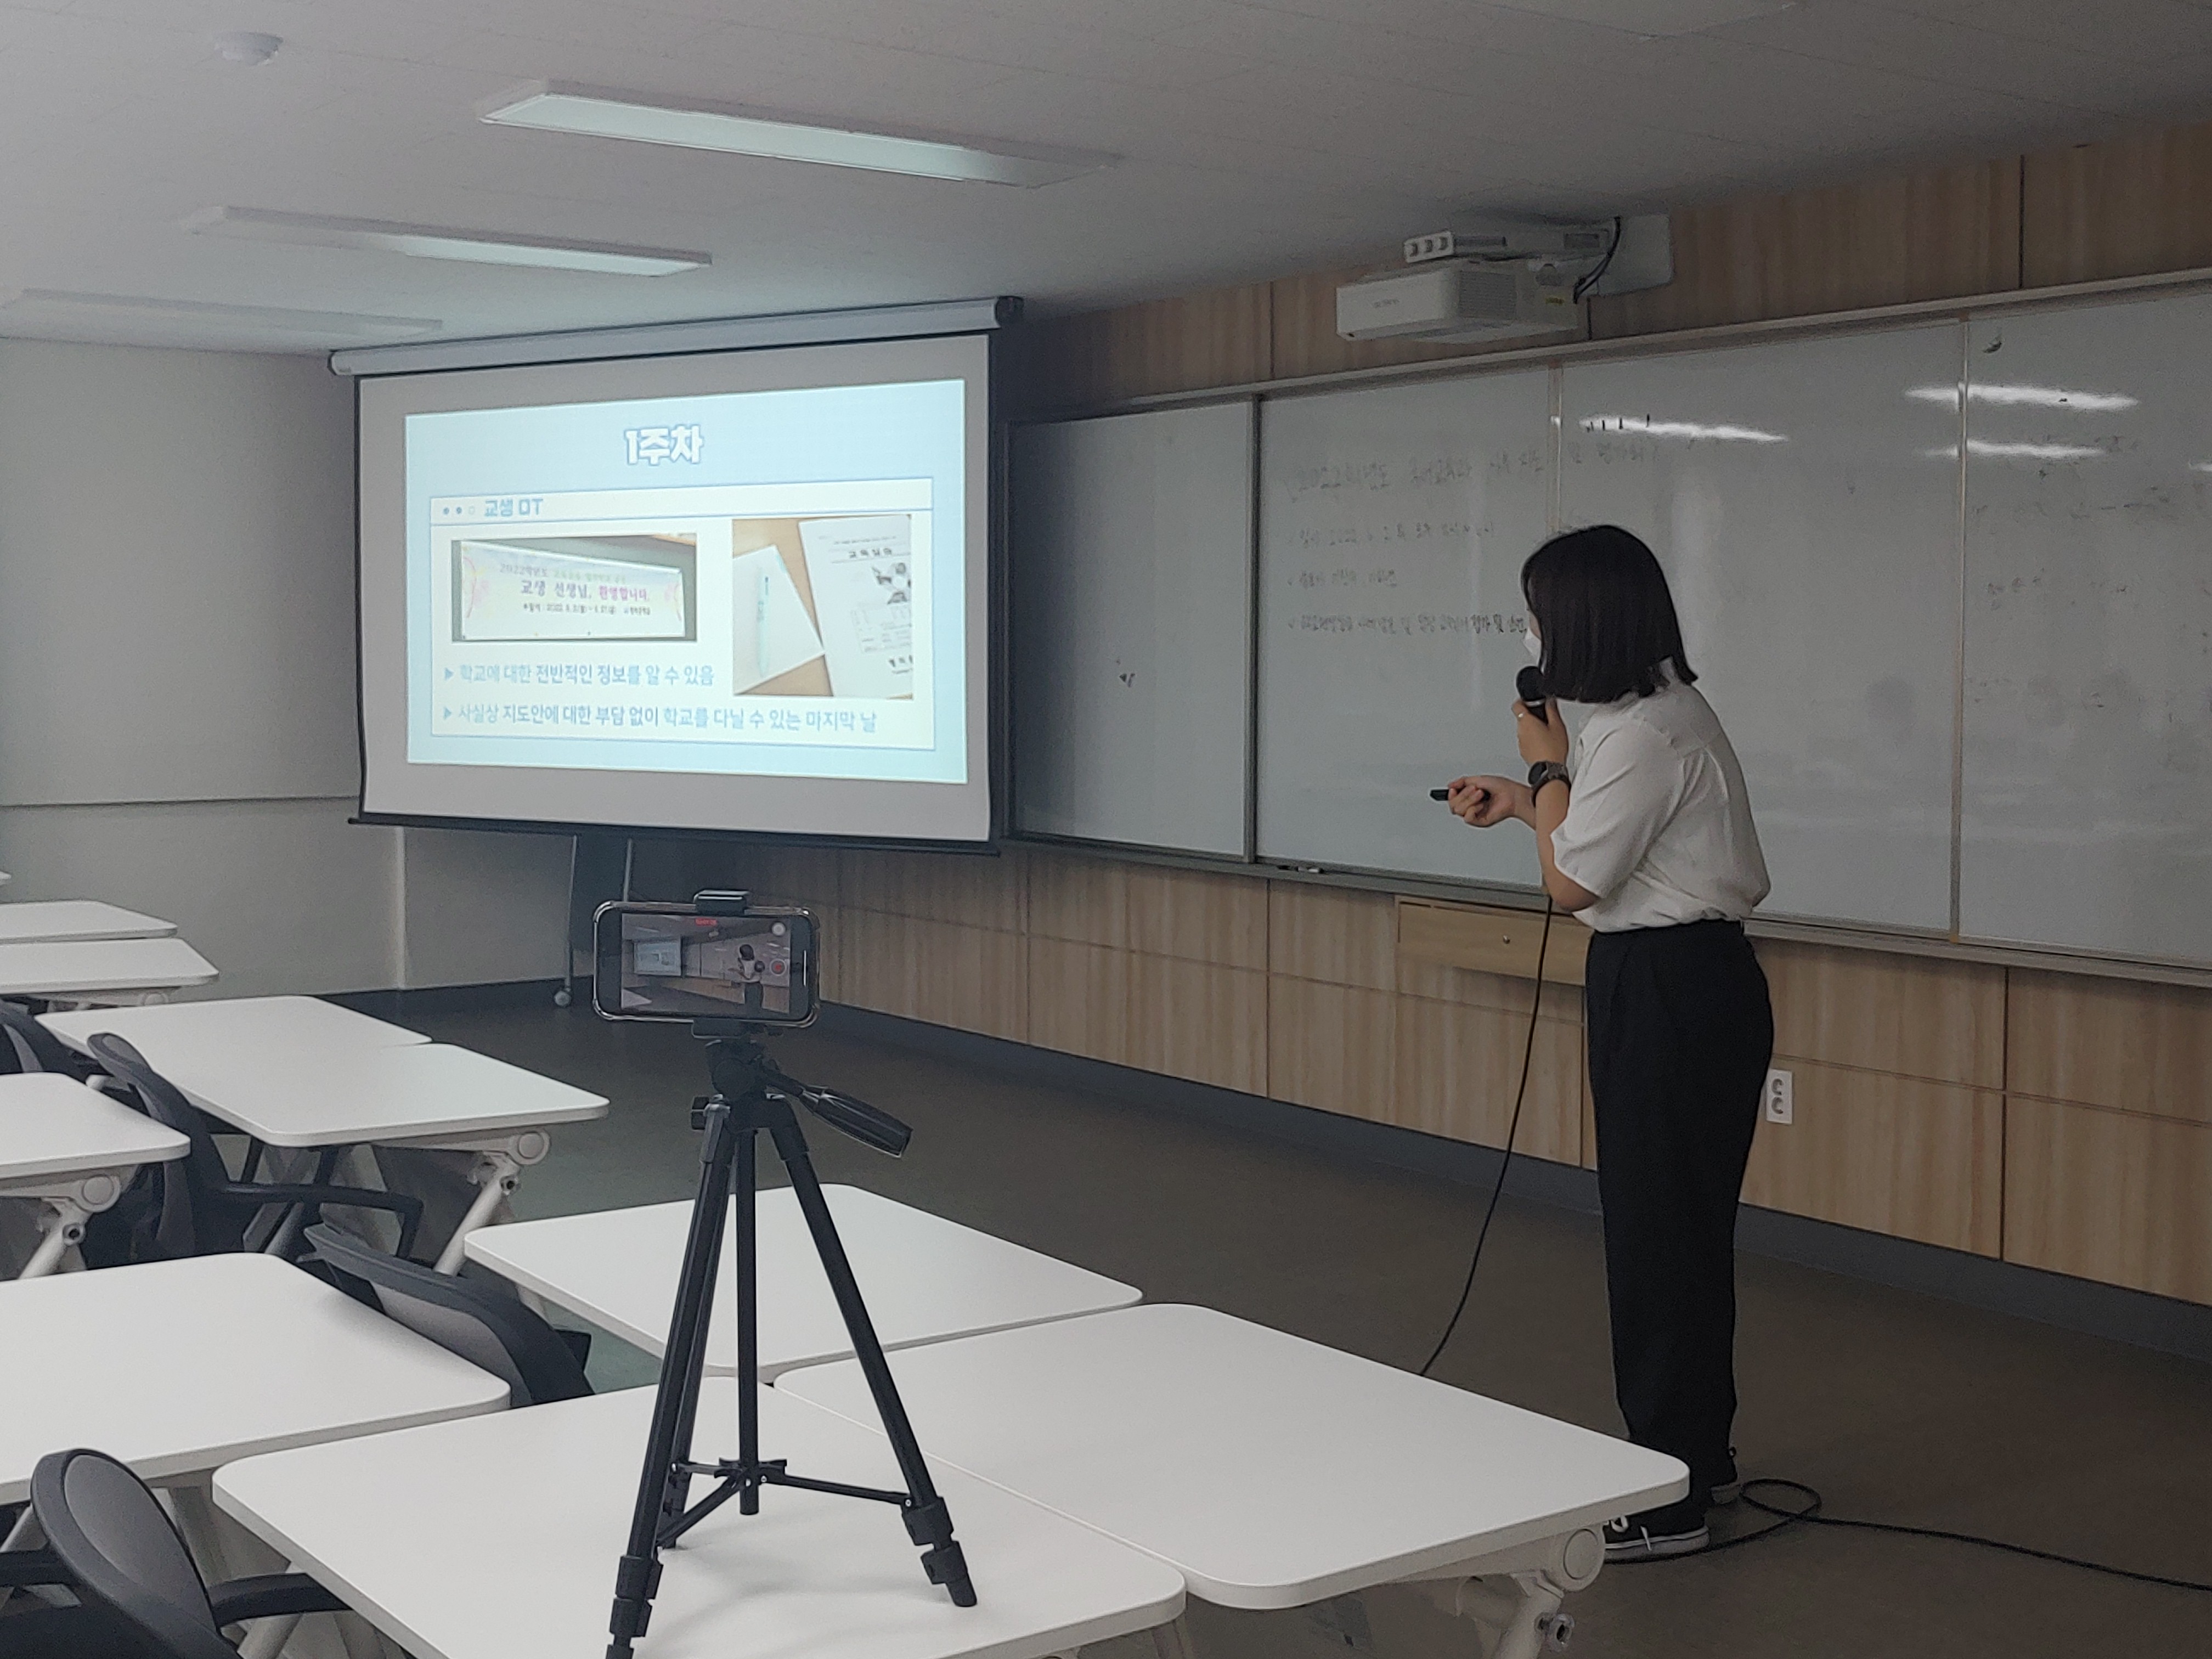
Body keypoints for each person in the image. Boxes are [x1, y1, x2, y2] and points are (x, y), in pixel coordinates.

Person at [1447, 524, 1773, 1561]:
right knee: (1679, 1232)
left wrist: (1543, 768)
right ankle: (1699, 1461)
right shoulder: (1650, 717)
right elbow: (1600, 848)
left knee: (1656, 1239)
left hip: (1671, 987)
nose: (1533, 634)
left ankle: (1668, 1498)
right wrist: (1527, 801)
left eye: (1540, 616)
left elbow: (1572, 884)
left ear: (1583, 622)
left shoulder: (1637, 736)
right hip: (1687, 981)